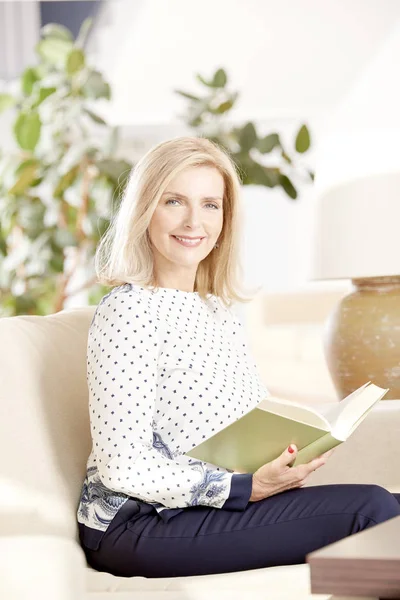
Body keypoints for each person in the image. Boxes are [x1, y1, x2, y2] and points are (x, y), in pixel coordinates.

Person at [77, 136, 400, 578]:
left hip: (208, 505)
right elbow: (123, 468)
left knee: (394, 507)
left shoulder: (218, 311)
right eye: (175, 201)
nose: (195, 221)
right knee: (373, 508)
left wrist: (280, 461)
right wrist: (239, 487)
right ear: (145, 210)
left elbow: (242, 422)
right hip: (137, 524)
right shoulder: (128, 312)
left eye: (211, 204)